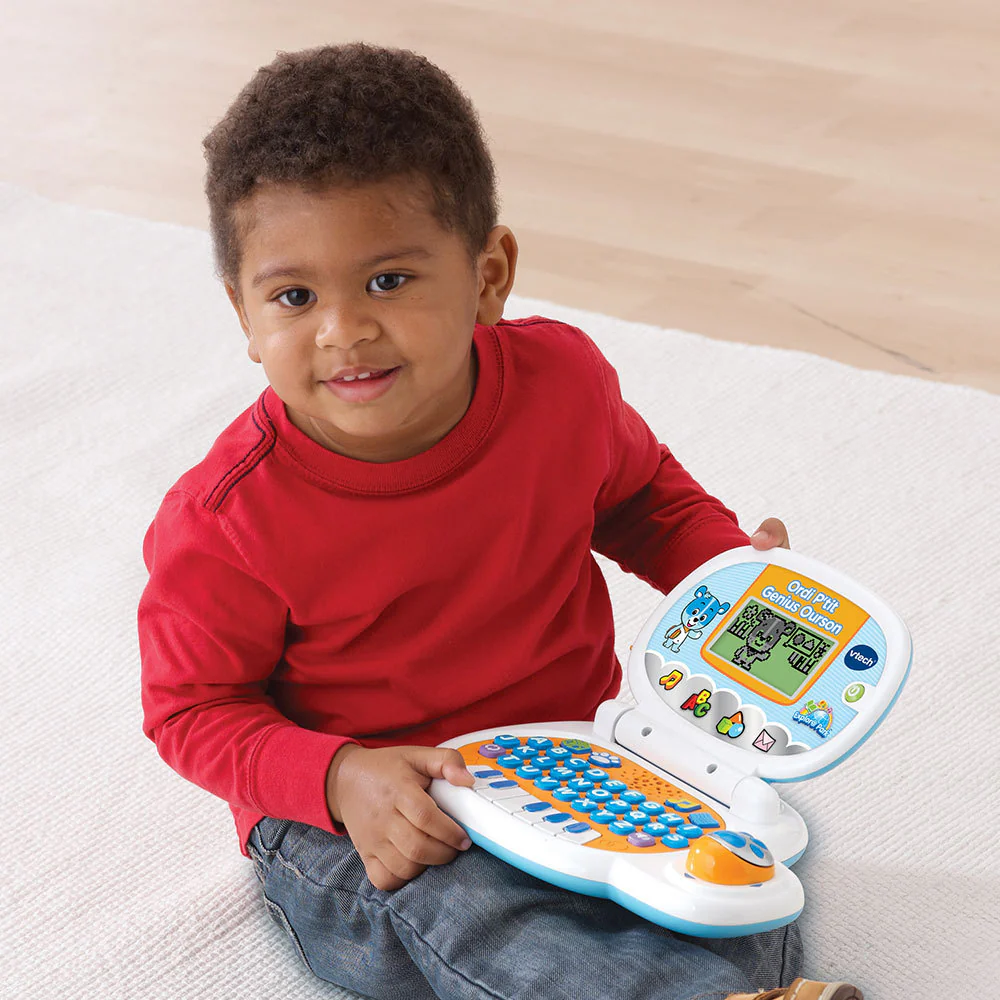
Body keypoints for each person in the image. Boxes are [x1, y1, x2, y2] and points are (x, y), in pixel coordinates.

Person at [137, 41, 862, 1000]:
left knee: (735, 877)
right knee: (480, 922)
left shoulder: (561, 384)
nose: (344, 329)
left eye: (389, 280)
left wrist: (732, 574)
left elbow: (646, 501)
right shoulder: (228, 518)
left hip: (580, 755)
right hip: (380, 812)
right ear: (243, 312)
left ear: (489, 276)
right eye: (295, 296)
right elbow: (192, 710)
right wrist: (338, 776)